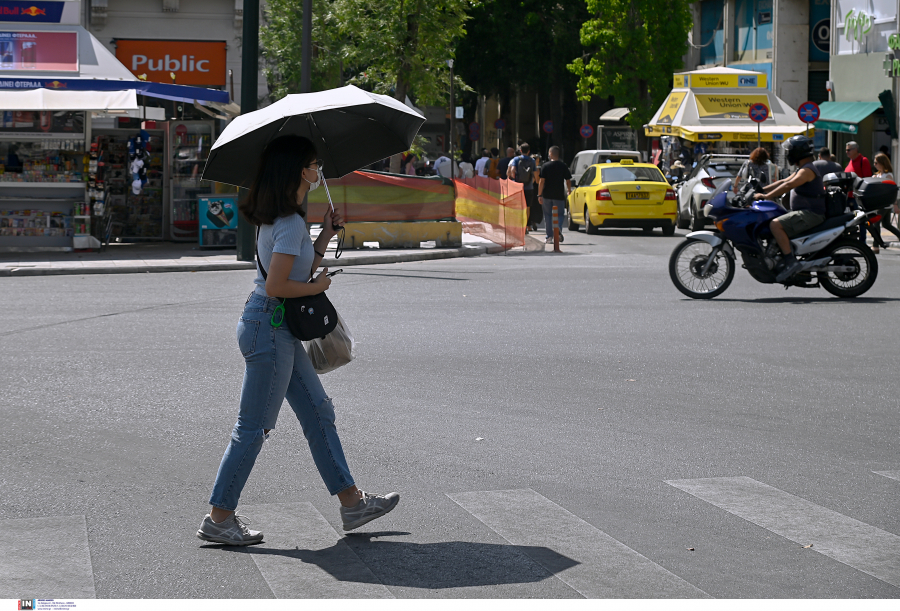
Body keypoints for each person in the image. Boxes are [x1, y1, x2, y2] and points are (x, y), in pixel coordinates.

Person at [198, 135, 400, 546]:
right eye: (314, 164)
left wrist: (324, 238)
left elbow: (293, 269)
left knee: (318, 413)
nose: (318, 170)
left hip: (273, 329)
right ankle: (219, 515)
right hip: (270, 328)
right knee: (253, 429)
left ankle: (352, 503)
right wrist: (318, 286)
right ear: (299, 171)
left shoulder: (283, 220)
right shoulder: (288, 223)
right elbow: (278, 285)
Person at [753, 135, 826, 283]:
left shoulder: (807, 171)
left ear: (797, 152)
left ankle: (790, 261)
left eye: (790, 151)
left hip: (810, 214)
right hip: (804, 212)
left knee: (775, 224)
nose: (787, 154)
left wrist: (766, 197)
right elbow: (783, 181)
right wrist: (760, 190)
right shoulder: (803, 168)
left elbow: (788, 186)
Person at [537, 146, 572, 243]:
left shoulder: (545, 166)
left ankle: (549, 236)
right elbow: (568, 180)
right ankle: (558, 229)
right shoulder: (563, 166)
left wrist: (539, 195)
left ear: (551, 154)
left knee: (547, 215)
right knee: (560, 214)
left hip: (547, 195)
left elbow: (541, 181)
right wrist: (569, 190)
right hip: (559, 195)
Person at [871, 152, 900, 252]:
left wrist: (895, 205)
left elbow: (893, 190)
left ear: (882, 163)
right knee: (886, 224)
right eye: (874, 163)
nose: (874, 165)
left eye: (876, 163)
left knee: (876, 223)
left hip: (885, 204)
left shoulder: (888, 175)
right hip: (880, 203)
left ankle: (875, 246)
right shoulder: (878, 175)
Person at [508, 143, 539, 231]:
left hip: (518, 187)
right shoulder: (532, 160)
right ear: (529, 151)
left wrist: (515, 179)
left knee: (518, 206)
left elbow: (512, 170)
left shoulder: (516, 159)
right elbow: (535, 173)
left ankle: (519, 225)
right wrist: (535, 181)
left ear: (520, 151)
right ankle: (525, 225)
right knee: (527, 207)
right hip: (529, 187)